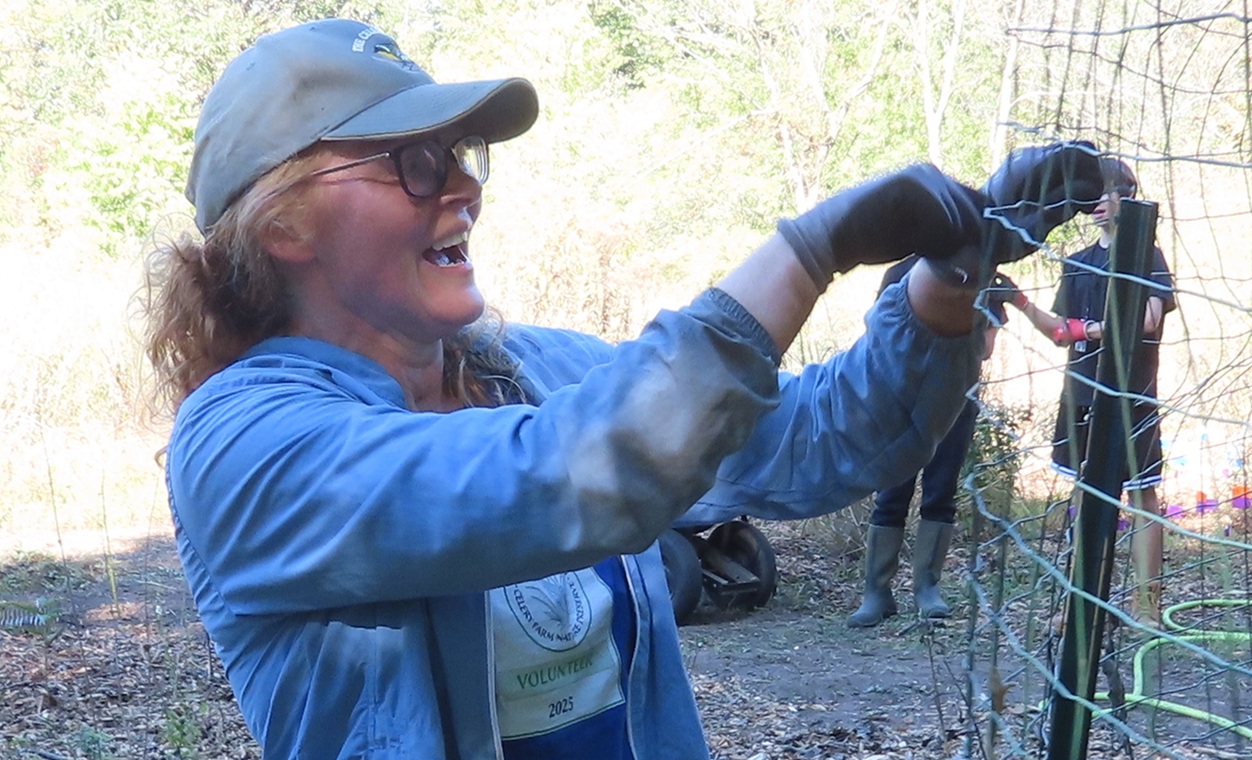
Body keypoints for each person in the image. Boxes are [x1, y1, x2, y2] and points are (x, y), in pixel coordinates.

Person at [142, 18, 1098, 758]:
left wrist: (948, 276)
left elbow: (819, 443)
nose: (463, 188)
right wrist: (811, 252)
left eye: (463, 157)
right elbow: (572, 477)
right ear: (282, 224)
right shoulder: (244, 444)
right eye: (415, 161)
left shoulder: (539, 372)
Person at [1005, 157, 1177, 625]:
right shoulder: (1078, 263)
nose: (1099, 203)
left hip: (1132, 395)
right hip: (1081, 394)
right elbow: (1060, 331)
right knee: (1085, 496)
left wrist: (1090, 329)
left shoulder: (1147, 255)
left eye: (1108, 192)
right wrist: (1019, 301)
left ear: (1128, 195)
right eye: (1091, 194)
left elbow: (1146, 321)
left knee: (1141, 496)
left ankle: (1147, 607)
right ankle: (1079, 606)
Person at [847, 257, 1013, 626]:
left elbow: (985, 348)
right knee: (891, 494)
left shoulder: (981, 275)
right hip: (899, 399)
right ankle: (876, 593)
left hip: (956, 398)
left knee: (940, 493)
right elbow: (880, 336)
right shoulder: (898, 273)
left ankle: (927, 588)